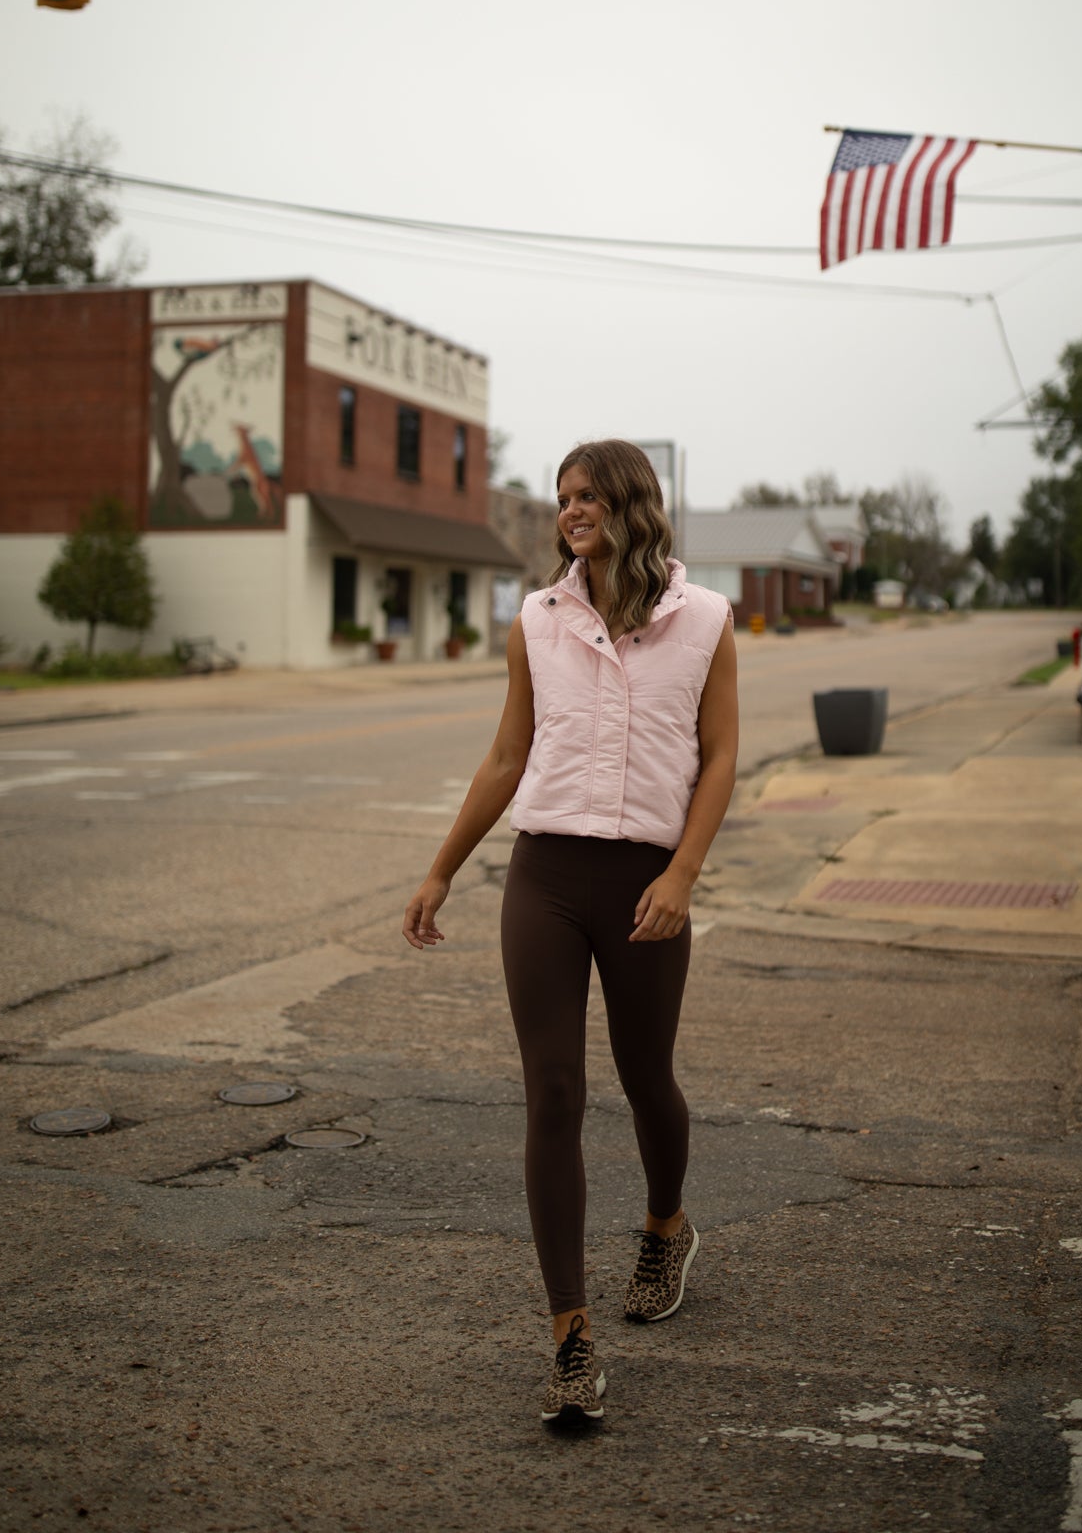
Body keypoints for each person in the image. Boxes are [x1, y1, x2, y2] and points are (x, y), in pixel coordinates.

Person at [402, 438, 739, 1426]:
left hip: (646, 882)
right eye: (562, 497)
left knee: (647, 1076)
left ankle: (667, 1223)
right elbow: (509, 753)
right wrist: (442, 866)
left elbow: (720, 758)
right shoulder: (538, 621)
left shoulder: (707, 621)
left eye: (587, 494)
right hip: (543, 874)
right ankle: (568, 1335)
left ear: (632, 502)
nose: (570, 510)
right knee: (552, 1088)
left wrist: (682, 873)